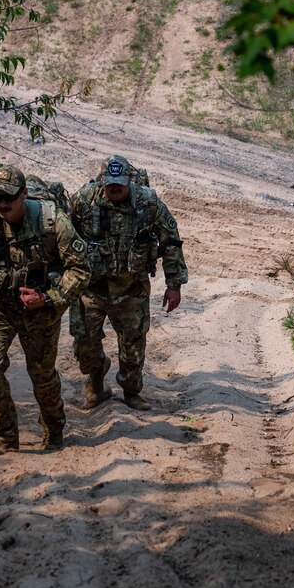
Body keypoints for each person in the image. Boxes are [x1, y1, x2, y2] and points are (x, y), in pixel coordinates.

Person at [0, 165, 90, 455]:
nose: (3, 204)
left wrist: (48, 297)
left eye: (8, 196)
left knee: (42, 376)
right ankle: (4, 435)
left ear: (24, 194)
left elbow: (81, 270)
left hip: (40, 311)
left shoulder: (53, 222)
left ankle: (54, 430)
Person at [69, 155, 188, 411]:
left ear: (130, 181)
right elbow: (63, 237)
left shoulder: (148, 202)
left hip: (131, 288)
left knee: (133, 346)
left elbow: (170, 240)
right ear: (102, 180)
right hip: (92, 288)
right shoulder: (82, 200)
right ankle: (97, 379)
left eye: (120, 184)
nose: (115, 188)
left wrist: (174, 284)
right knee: (84, 343)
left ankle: (132, 393)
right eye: (110, 183)